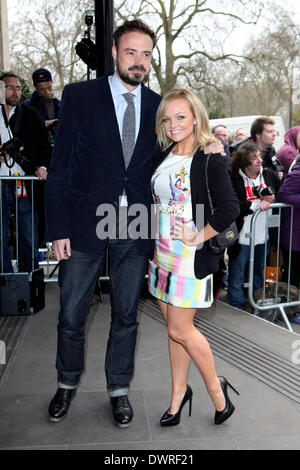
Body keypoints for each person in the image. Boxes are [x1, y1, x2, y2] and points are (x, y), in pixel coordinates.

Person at [148, 89, 240, 426]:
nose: (172, 124)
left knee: (181, 329)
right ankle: (178, 394)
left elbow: (231, 208)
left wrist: (198, 235)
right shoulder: (163, 155)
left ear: (196, 117)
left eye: (180, 117)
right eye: (168, 118)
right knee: (174, 331)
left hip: (189, 258)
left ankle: (218, 391)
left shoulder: (209, 158)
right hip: (160, 256)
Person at [0, 72, 51, 273]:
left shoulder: (29, 114)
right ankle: (6, 284)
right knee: (1, 237)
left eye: (18, 87)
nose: (15, 91)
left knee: (29, 236)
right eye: (10, 87)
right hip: (1, 184)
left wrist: (42, 167)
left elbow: (46, 148)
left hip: (24, 185)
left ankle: (31, 284)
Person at [227, 141, 281, 309]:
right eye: (253, 157)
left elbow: (280, 194)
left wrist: (272, 199)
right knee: (237, 272)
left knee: (258, 272)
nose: (259, 160)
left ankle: (257, 303)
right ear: (244, 161)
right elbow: (231, 203)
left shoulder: (268, 174)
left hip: (263, 235)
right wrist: (256, 205)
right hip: (241, 235)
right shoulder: (234, 178)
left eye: (259, 156)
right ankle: (235, 304)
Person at [278, 155, 300, 323]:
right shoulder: (297, 173)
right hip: (293, 235)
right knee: (292, 274)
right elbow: (283, 194)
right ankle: (289, 310)